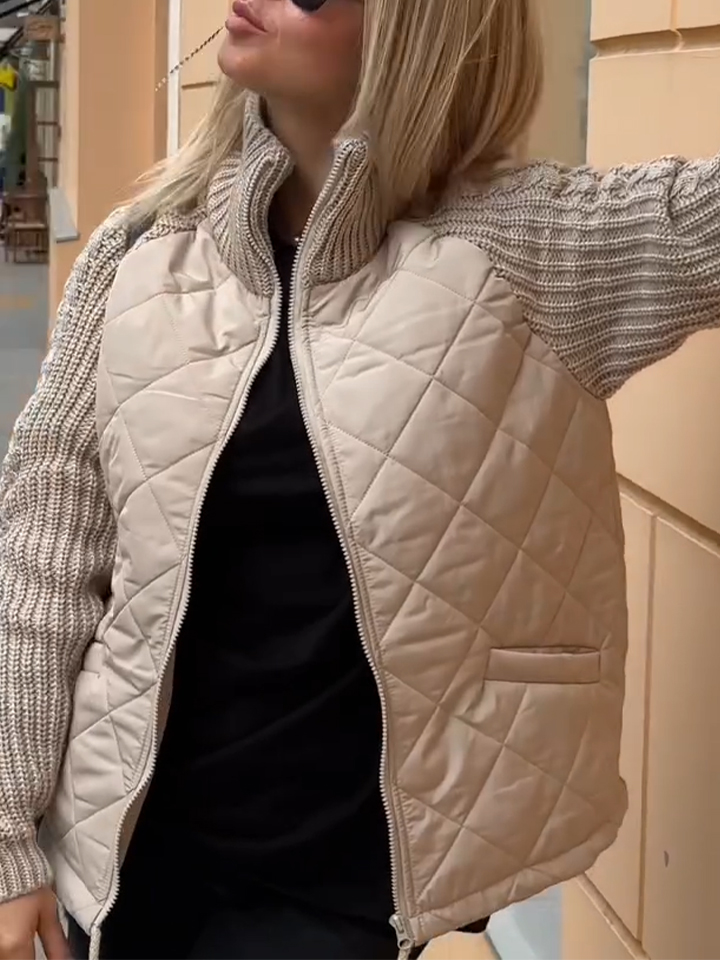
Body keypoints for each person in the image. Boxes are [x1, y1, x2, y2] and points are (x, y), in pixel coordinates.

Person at [1, 0, 720, 957]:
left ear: (413, 29)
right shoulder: (138, 254)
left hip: (348, 881)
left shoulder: (535, 247)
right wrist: (7, 835)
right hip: (128, 846)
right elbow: (44, 552)